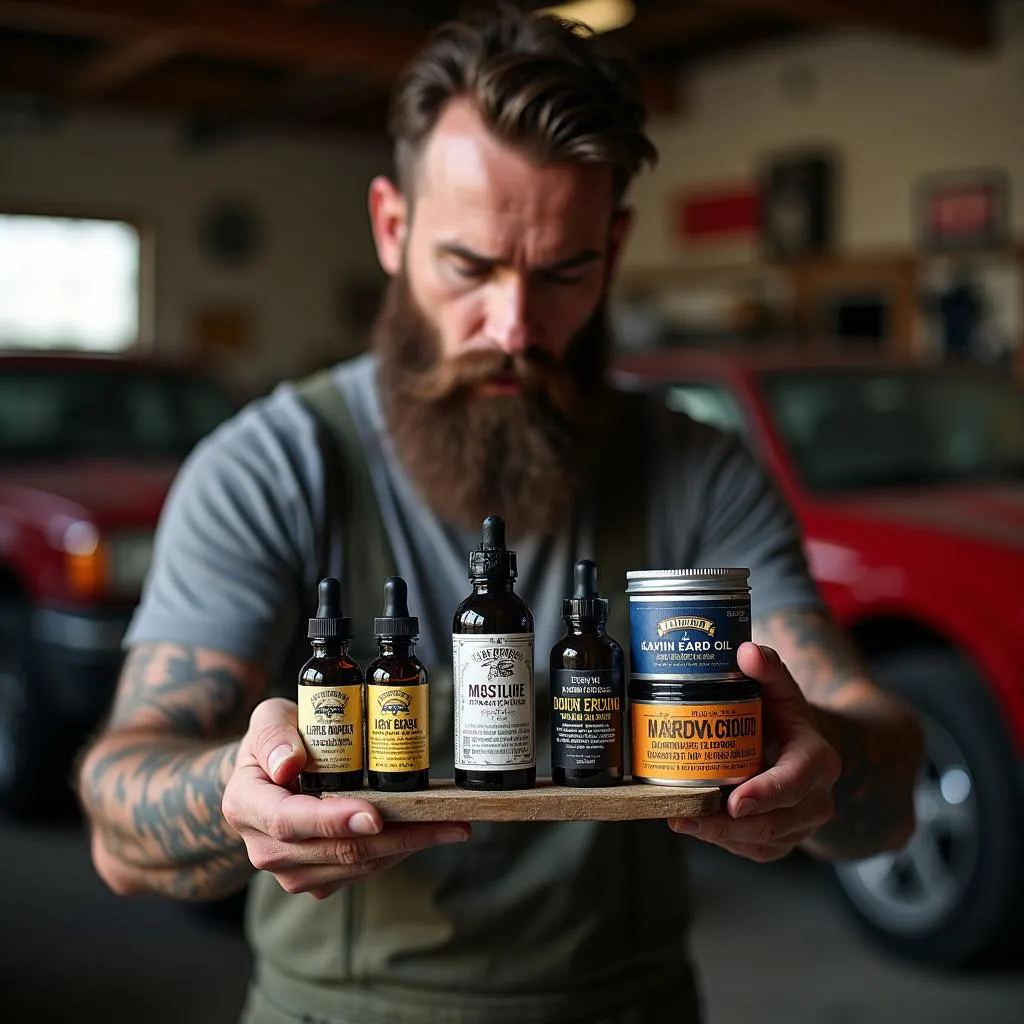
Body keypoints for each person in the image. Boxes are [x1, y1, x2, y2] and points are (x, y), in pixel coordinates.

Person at [77, 7, 922, 1023]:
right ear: (393, 229)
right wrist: (230, 786)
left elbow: (882, 773)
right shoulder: (269, 468)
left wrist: (818, 758)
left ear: (613, 246)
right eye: (470, 268)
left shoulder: (698, 472)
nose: (516, 326)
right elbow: (118, 820)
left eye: (564, 272)